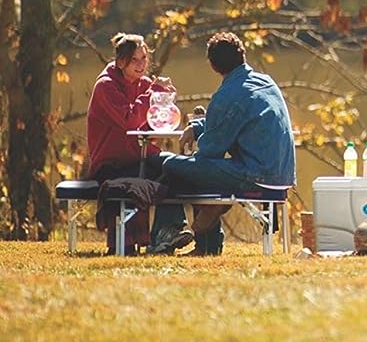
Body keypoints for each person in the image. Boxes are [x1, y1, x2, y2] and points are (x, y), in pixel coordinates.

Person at [160, 32, 296, 255]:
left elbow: (210, 150)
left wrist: (193, 148)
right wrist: (197, 127)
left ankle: (169, 235)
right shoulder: (266, 82)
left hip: (256, 175)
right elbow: (235, 119)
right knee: (202, 171)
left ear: (213, 66)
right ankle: (206, 242)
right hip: (283, 175)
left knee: (172, 165)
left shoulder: (227, 96)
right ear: (242, 55)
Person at [86, 33, 189, 254]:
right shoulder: (105, 86)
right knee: (163, 170)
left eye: (144, 58)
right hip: (111, 165)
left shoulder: (144, 84)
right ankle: (157, 237)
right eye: (135, 60)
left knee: (177, 166)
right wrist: (154, 93)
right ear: (120, 61)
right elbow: (130, 120)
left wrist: (164, 110)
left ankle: (166, 233)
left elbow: (149, 129)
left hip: (139, 156)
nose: (142, 65)